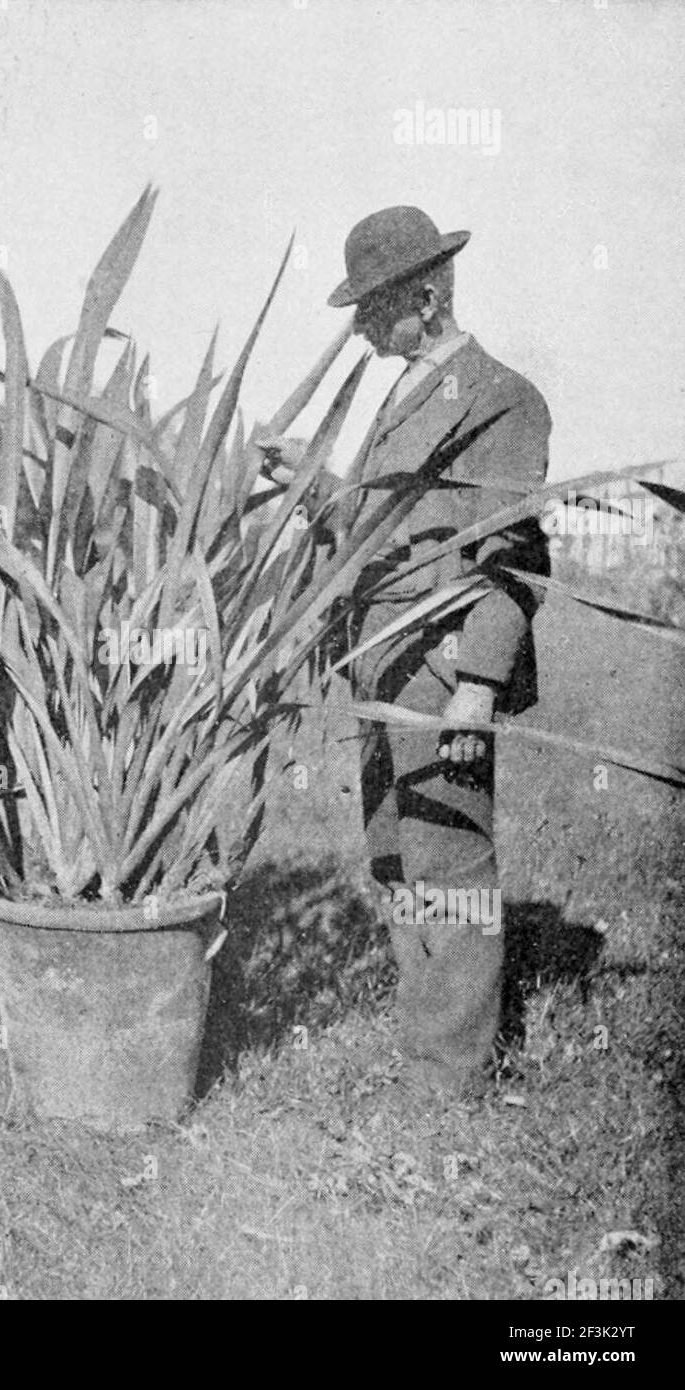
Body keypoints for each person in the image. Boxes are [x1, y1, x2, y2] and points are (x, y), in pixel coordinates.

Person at [260, 206, 551, 1100]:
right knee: (393, 853)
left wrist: (476, 685)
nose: (359, 328)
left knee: (449, 865)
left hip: (439, 663)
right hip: (381, 661)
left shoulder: (501, 396)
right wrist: (315, 484)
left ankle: (452, 1081)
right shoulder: (405, 392)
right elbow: (384, 527)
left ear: (425, 298)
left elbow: (509, 552)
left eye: (373, 307)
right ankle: (429, 1042)